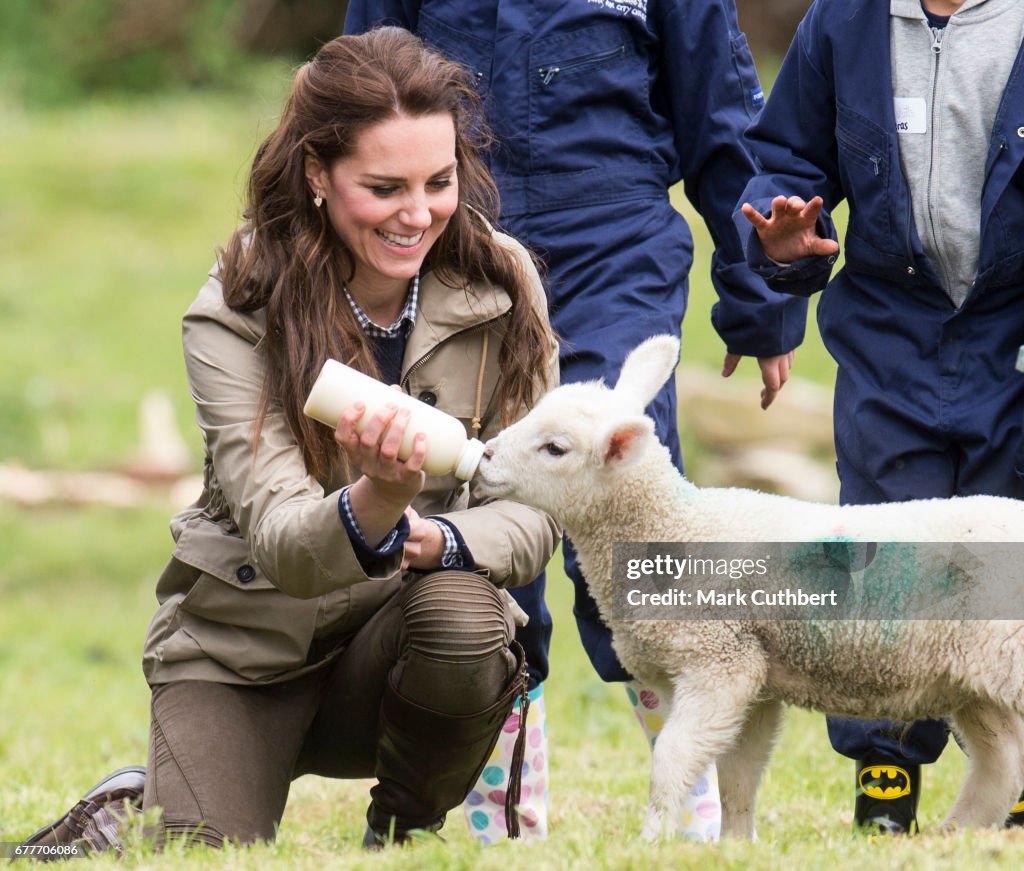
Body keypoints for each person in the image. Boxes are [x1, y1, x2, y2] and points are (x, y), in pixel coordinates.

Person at [17, 27, 560, 853]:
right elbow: (281, 543)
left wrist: (437, 536)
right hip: (243, 651)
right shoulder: (237, 304)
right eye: (384, 187)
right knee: (205, 849)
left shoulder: (502, 281)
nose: (419, 214)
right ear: (318, 173)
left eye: (439, 182)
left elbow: (534, 510)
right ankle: (139, 800)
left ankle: (404, 826)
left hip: (397, 648)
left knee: (464, 612)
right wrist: (379, 494)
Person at [345, 1, 808, 842]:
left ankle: (693, 814)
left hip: (615, 242)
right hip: (458, 247)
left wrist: (760, 300)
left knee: (632, 513)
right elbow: (361, 94)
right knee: (475, 515)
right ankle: (501, 823)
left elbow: (721, 120)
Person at [736, 0, 1024, 835]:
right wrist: (783, 237)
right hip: (892, 334)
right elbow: (784, 160)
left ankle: (1014, 770)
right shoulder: (844, 24)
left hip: (1011, 333)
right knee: (885, 551)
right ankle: (885, 775)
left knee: (1007, 550)